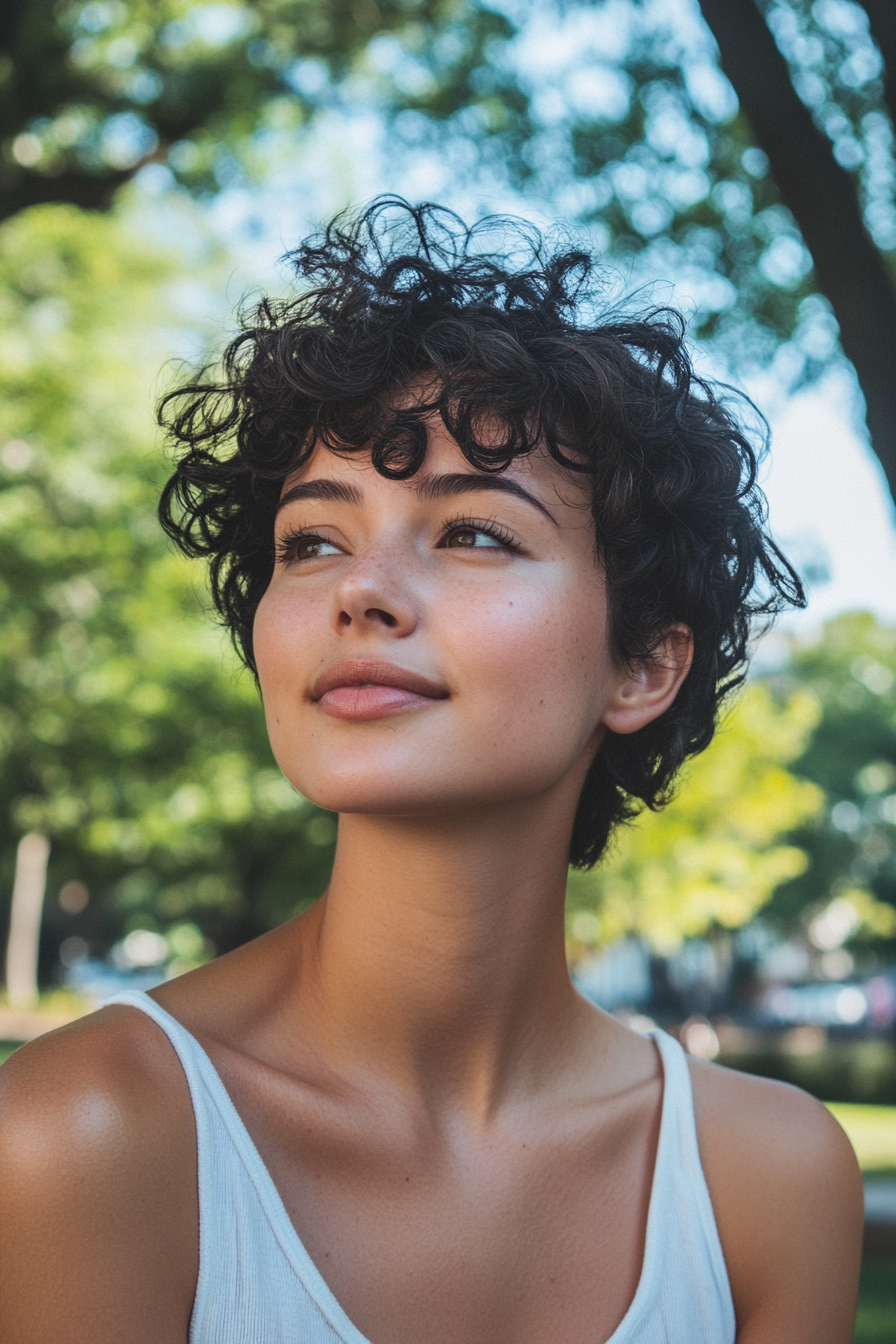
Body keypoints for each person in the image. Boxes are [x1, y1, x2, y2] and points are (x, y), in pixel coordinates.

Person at [0, 199, 863, 1344]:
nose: (358, 590)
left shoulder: (768, 1179)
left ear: (643, 666)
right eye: (311, 540)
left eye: (471, 533)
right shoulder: (83, 1136)